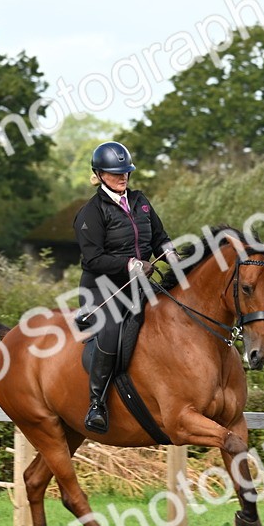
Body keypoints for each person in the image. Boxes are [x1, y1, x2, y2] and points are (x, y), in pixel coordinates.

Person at [73, 141, 176, 433]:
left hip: (140, 287)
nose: (123, 177)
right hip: (103, 291)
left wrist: (171, 255)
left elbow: (159, 237)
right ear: (99, 174)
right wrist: (131, 265)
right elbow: (92, 259)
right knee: (112, 331)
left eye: (126, 172)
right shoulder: (91, 213)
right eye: (115, 173)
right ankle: (97, 404)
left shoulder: (140, 200)